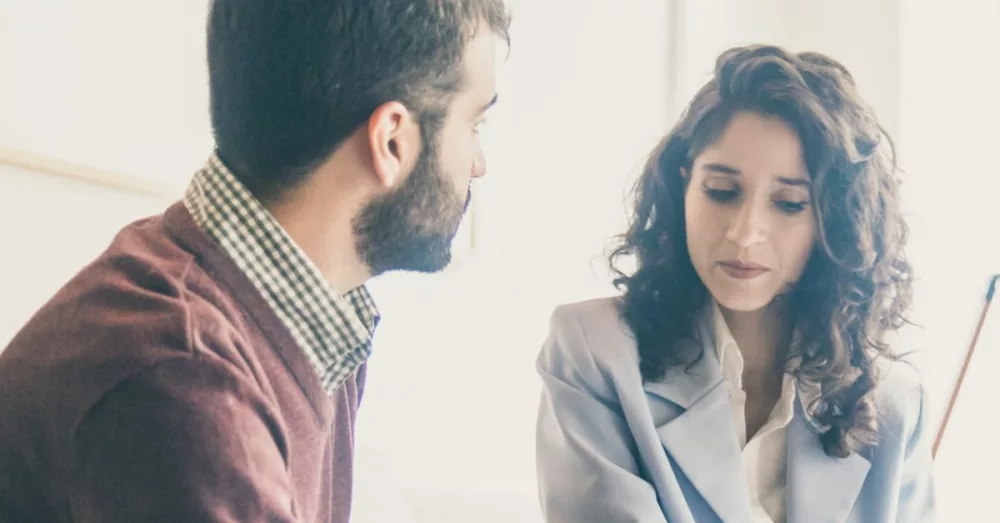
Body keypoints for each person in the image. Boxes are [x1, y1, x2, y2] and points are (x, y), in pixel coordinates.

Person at [0, 1, 510, 521]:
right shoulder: (182, 379)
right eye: (475, 123)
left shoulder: (299, 314)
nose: (479, 164)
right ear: (392, 140)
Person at [535, 45, 934, 523]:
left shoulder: (891, 402)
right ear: (683, 185)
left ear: (834, 221)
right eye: (721, 192)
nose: (744, 233)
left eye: (788, 203)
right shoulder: (594, 351)